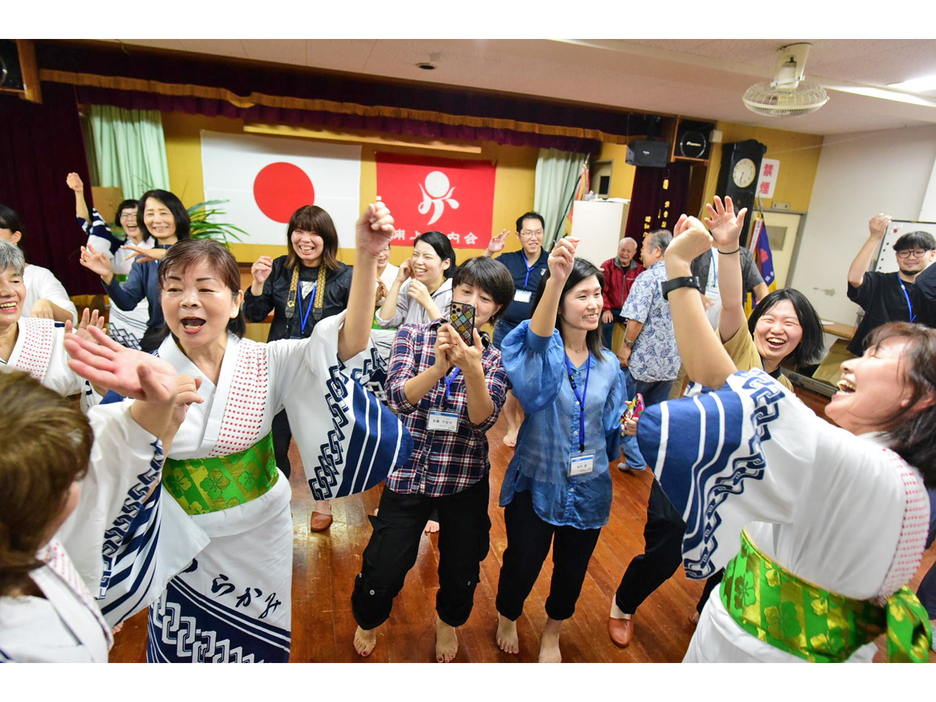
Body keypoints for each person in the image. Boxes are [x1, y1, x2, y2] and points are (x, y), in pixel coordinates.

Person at [92, 202, 409, 663]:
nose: (189, 300)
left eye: (205, 288)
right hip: (184, 539)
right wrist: (148, 411)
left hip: (262, 531)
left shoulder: (267, 360)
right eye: (174, 288)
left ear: (237, 299)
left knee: (257, 645)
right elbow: (112, 467)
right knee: (183, 649)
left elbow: (349, 341)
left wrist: (365, 253)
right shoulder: (146, 374)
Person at [635, 213, 934, 663]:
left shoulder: (853, 463)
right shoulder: (906, 479)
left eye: (875, 356)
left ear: (921, 396)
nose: (849, 364)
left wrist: (678, 265)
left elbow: (704, 385)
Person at [608, 196, 825, 647]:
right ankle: (624, 603)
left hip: (738, 488)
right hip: (686, 469)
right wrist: (728, 249)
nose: (778, 328)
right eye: (771, 318)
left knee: (728, 558)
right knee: (664, 553)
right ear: (756, 323)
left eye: (792, 322)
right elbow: (730, 303)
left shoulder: (787, 393)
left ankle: (708, 611)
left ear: (805, 335)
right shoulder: (739, 349)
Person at [351, 256, 514, 663]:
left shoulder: (493, 357)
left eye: (485, 298)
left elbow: (482, 421)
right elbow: (397, 398)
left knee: (462, 570)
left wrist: (473, 371)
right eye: (465, 291)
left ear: (496, 309)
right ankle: (368, 619)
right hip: (409, 474)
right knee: (384, 565)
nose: (472, 302)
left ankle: (447, 624)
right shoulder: (414, 335)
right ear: (453, 291)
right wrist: (439, 369)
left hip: (463, 480)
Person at [0, 341, 187, 661]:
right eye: (74, 473)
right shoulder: (38, 651)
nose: (85, 474)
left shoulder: (26, 536)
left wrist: (157, 408)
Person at [494, 240, 627, 663]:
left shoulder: (608, 366)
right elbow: (530, 353)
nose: (593, 304)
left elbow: (609, 435)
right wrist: (554, 279)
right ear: (559, 300)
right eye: (582, 294)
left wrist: (626, 428)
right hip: (538, 480)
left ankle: (552, 632)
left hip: (588, 489)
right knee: (522, 562)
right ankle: (508, 614)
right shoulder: (539, 352)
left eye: (597, 294)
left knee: (571, 572)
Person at [243, 205, 354, 532]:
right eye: (299, 231)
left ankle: (323, 502)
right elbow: (254, 313)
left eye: (313, 232)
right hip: (278, 366)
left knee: (320, 439)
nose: (305, 239)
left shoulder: (344, 276)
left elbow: (354, 327)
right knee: (274, 439)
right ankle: (276, 500)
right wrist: (258, 284)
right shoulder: (278, 268)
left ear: (327, 238)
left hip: (321, 370)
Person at [80, 189, 190, 352]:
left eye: (163, 213)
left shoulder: (197, 251)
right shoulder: (144, 260)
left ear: (177, 215)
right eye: (150, 214)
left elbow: (198, 261)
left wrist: (165, 254)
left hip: (193, 333)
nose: (157, 220)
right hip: (158, 338)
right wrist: (108, 276)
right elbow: (127, 303)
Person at [0, 239, 100, 411]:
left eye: (15, 281)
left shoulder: (55, 336)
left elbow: (101, 401)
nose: (9, 292)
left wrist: (94, 366)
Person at [484, 212, 551, 448]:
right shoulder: (507, 260)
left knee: (532, 381)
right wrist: (490, 252)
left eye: (538, 232)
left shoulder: (552, 262)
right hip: (506, 330)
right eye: (528, 233)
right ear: (518, 235)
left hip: (537, 333)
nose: (533, 237)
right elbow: (481, 275)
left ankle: (528, 425)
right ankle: (513, 425)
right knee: (507, 379)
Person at [66, 173, 154, 349]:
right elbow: (88, 223)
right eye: (124, 215)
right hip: (121, 308)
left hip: (150, 308)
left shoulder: (157, 247)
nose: (130, 219)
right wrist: (79, 192)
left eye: (135, 214)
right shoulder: (115, 247)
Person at [616, 230, 680, 472]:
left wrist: (626, 347)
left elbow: (636, 319)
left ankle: (634, 457)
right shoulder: (682, 278)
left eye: (643, 248)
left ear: (657, 251)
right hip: (670, 364)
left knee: (629, 409)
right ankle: (650, 457)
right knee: (653, 415)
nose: (641, 254)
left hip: (643, 363)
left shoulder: (648, 278)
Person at [846, 214, 936, 357]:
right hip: (871, 355)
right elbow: (855, 278)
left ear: (932, 255)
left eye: (918, 252)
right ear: (896, 256)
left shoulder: (931, 291)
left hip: (913, 361)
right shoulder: (881, 282)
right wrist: (874, 237)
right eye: (904, 253)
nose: (911, 257)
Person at [0, 203, 78, 324]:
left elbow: (70, 318)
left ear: (15, 237)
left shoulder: (39, 275)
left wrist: (48, 305)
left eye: (15, 281)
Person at [376, 230, 456, 330]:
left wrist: (428, 303)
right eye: (415, 254)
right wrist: (398, 281)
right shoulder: (411, 286)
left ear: (446, 263)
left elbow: (451, 337)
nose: (418, 261)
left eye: (427, 257)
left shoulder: (454, 292)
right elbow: (384, 321)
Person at [600, 236, 643, 352]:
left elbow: (638, 294)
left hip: (628, 311)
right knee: (605, 324)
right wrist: (606, 309)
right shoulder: (607, 266)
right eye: (622, 250)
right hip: (611, 308)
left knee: (636, 329)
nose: (625, 253)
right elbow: (603, 289)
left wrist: (632, 313)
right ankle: (605, 355)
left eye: (629, 251)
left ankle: (629, 358)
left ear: (634, 253)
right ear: (618, 249)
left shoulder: (639, 270)